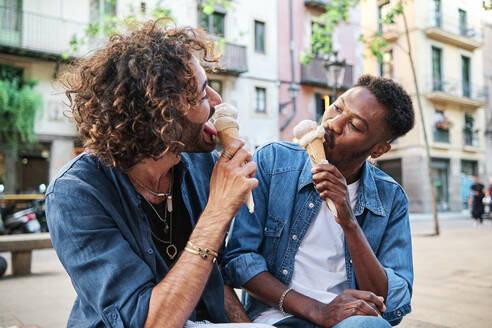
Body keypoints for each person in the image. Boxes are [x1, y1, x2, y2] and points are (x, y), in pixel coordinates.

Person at [46, 21, 271, 328]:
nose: (218, 102)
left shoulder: (200, 164)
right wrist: (217, 213)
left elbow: (209, 273)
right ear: (163, 115)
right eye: (204, 93)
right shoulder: (76, 193)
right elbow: (148, 323)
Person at [223, 75, 415, 327]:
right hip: (278, 316)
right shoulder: (273, 163)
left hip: (350, 320)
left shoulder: (391, 197)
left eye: (354, 126)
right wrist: (317, 310)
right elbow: (239, 259)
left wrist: (348, 222)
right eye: (337, 107)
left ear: (378, 150)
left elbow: (390, 300)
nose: (333, 123)